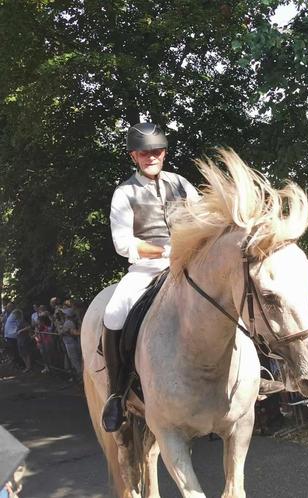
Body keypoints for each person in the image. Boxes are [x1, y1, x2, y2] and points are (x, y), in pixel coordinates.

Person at [101, 122, 200, 432]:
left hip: (187, 265)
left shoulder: (183, 184)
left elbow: (202, 219)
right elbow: (123, 242)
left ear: (164, 153)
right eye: (144, 154)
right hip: (147, 269)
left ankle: (255, 373)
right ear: (135, 157)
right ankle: (116, 393)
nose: (151, 157)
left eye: (156, 152)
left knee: (226, 293)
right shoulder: (124, 192)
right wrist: (163, 250)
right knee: (114, 313)